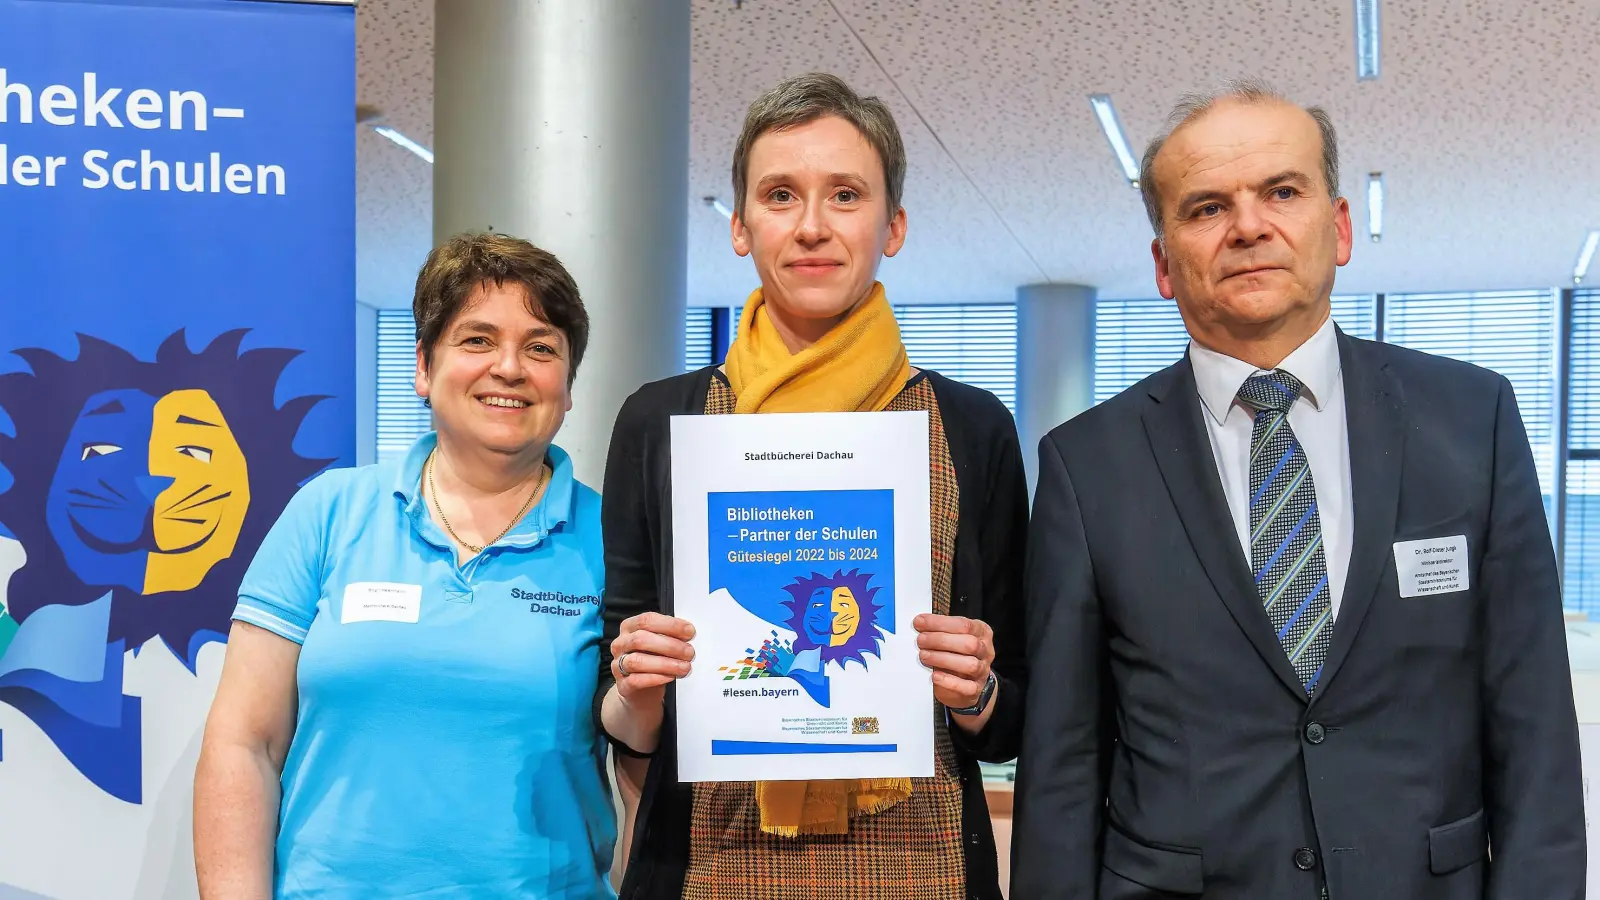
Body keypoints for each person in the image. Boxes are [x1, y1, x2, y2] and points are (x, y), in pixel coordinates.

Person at [1012, 79, 1585, 899]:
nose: (1249, 225)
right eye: (1207, 208)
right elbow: (1063, 770)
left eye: (1282, 191)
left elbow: (1536, 738)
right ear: (1163, 263)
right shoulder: (1085, 465)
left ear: (1340, 228)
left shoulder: (1473, 420)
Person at [597, 73, 1028, 900]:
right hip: (709, 863)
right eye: (781, 194)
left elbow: (1018, 711)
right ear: (739, 226)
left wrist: (977, 688)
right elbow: (620, 721)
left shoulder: (971, 429)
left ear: (892, 226)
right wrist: (637, 687)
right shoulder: (661, 421)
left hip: (923, 863)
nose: (812, 227)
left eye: (846, 195)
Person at [193, 233, 616, 899]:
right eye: (477, 340)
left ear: (566, 389)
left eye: (541, 348)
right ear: (422, 367)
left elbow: (644, 755)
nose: (509, 367)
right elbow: (244, 745)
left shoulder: (613, 538)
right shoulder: (328, 512)